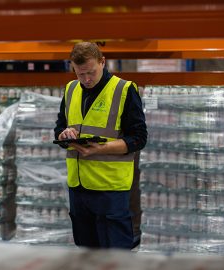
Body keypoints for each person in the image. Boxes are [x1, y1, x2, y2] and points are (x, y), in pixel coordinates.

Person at [54, 42, 147, 249]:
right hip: (78, 188)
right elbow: (59, 129)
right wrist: (65, 134)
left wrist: (101, 149)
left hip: (110, 189)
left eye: (91, 72)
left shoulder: (123, 90)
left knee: (114, 254)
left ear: (102, 62)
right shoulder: (70, 90)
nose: (86, 79)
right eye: (80, 74)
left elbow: (139, 138)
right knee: (87, 253)